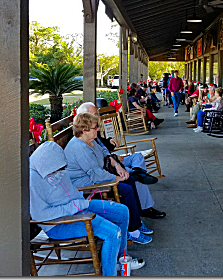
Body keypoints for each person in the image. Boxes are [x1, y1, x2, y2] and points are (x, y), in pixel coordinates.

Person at [29, 141, 145, 276]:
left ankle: (120, 260)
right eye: (57, 169)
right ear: (46, 165)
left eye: (62, 168)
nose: (61, 172)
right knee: (112, 233)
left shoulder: (56, 166)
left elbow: (70, 191)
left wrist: (80, 204)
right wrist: (75, 207)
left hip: (78, 207)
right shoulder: (33, 180)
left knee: (122, 211)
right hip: (57, 224)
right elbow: (40, 215)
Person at [64, 113, 155, 245]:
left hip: (97, 178)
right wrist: (117, 178)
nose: (98, 130)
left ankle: (136, 221)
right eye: (95, 127)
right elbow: (96, 175)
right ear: (84, 130)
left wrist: (118, 166)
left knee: (129, 180)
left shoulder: (90, 140)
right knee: (126, 189)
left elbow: (105, 153)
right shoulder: (79, 148)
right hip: (87, 186)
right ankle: (132, 231)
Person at [76, 102, 158, 185]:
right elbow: (97, 161)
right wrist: (115, 159)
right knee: (128, 175)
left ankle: (138, 173)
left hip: (111, 161)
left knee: (138, 156)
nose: (97, 116)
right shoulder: (86, 136)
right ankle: (138, 175)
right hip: (108, 165)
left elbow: (103, 146)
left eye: (97, 114)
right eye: (94, 114)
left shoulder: (92, 131)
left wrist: (110, 141)